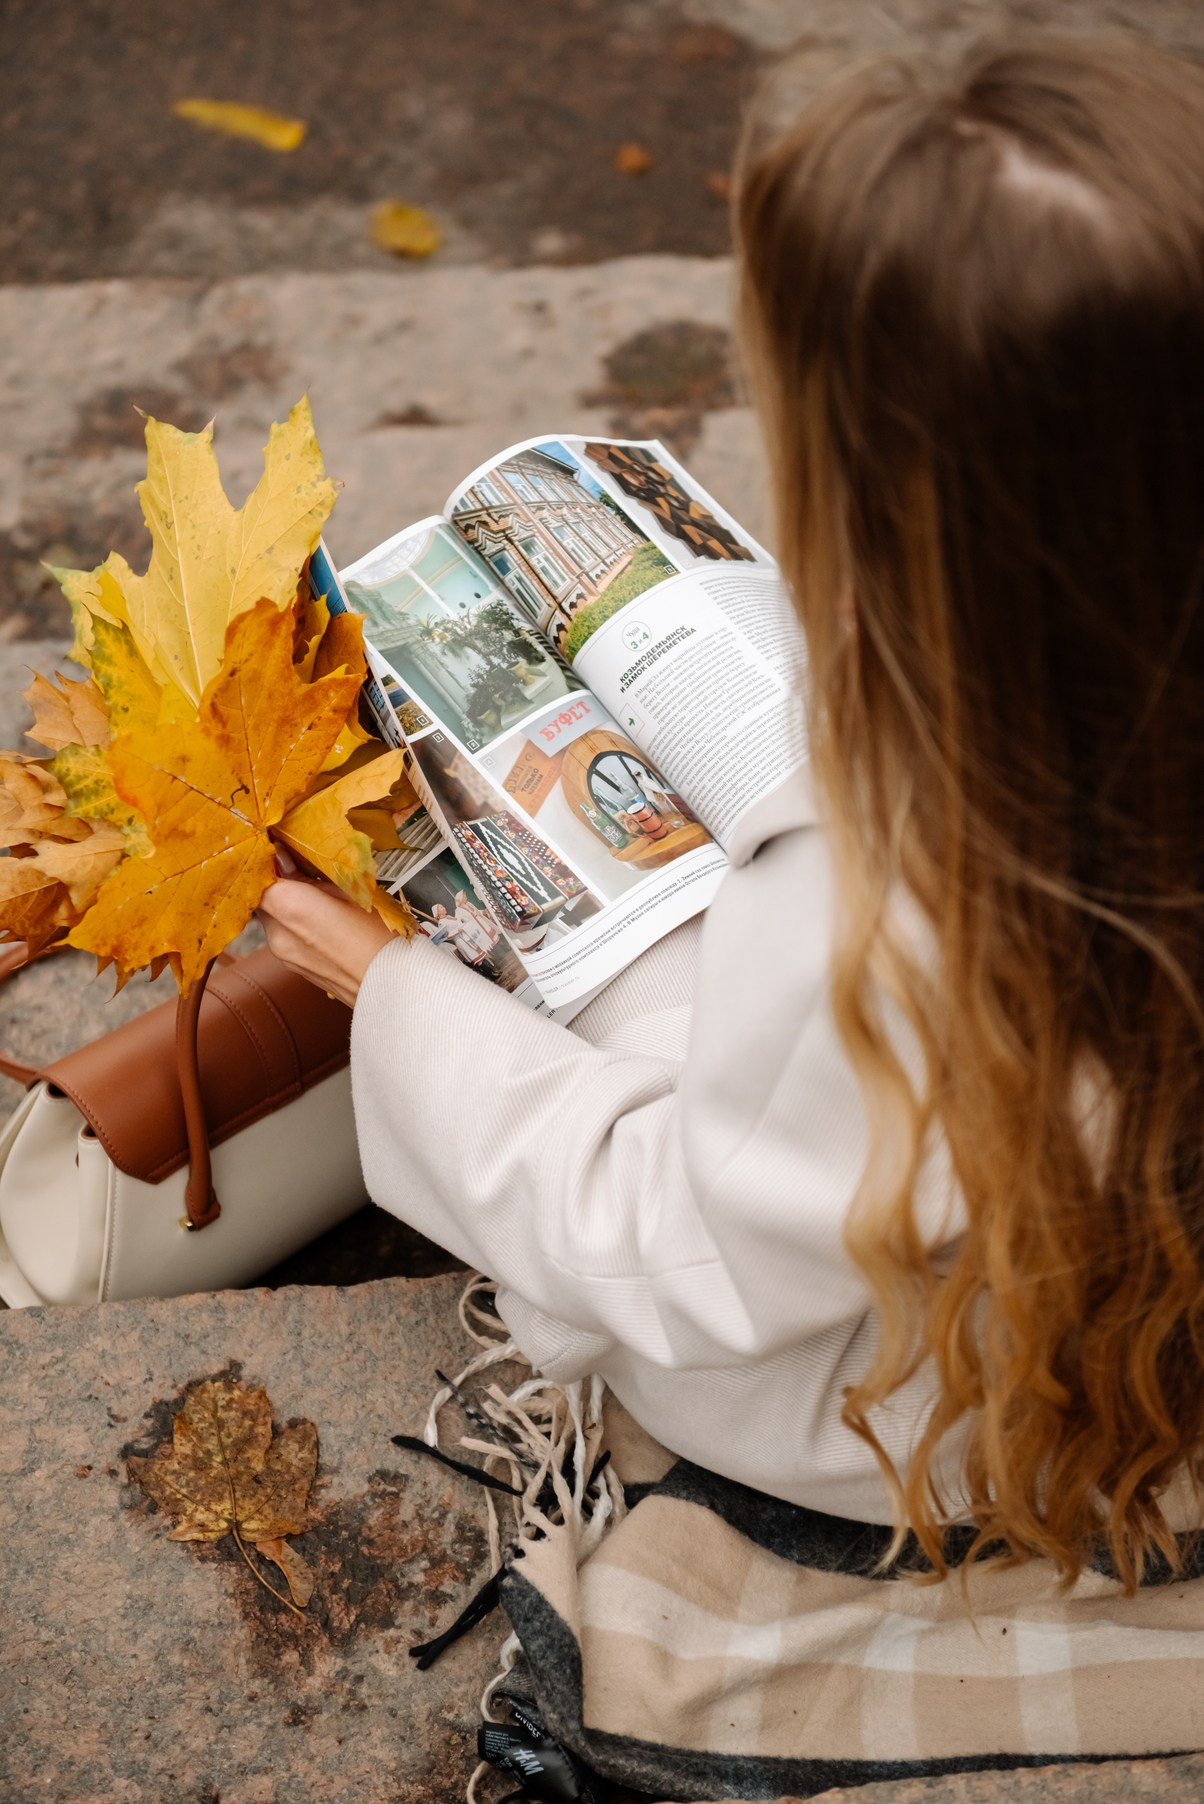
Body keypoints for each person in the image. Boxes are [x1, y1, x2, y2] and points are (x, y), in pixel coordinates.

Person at [260, 35, 1204, 1602]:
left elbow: (684, 1253)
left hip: (996, 1398)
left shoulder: (906, 904)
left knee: (624, 983)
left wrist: (396, 995)